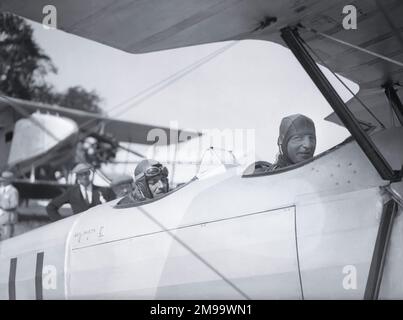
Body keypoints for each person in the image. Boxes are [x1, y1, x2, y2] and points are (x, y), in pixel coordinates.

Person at [46, 163, 114, 221]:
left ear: (89, 174)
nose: (84, 177)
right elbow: (51, 207)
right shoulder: (71, 193)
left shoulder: (104, 191)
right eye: (81, 174)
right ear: (77, 177)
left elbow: (114, 207)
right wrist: (62, 223)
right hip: (80, 232)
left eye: (86, 173)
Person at [0, 171, 19, 240]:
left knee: (7, 239)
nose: (2, 182)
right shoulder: (1, 190)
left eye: (3, 181)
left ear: (9, 181)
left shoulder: (13, 191)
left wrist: (3, 206)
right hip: (1, 218)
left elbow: (14, 204)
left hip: (8, 219)